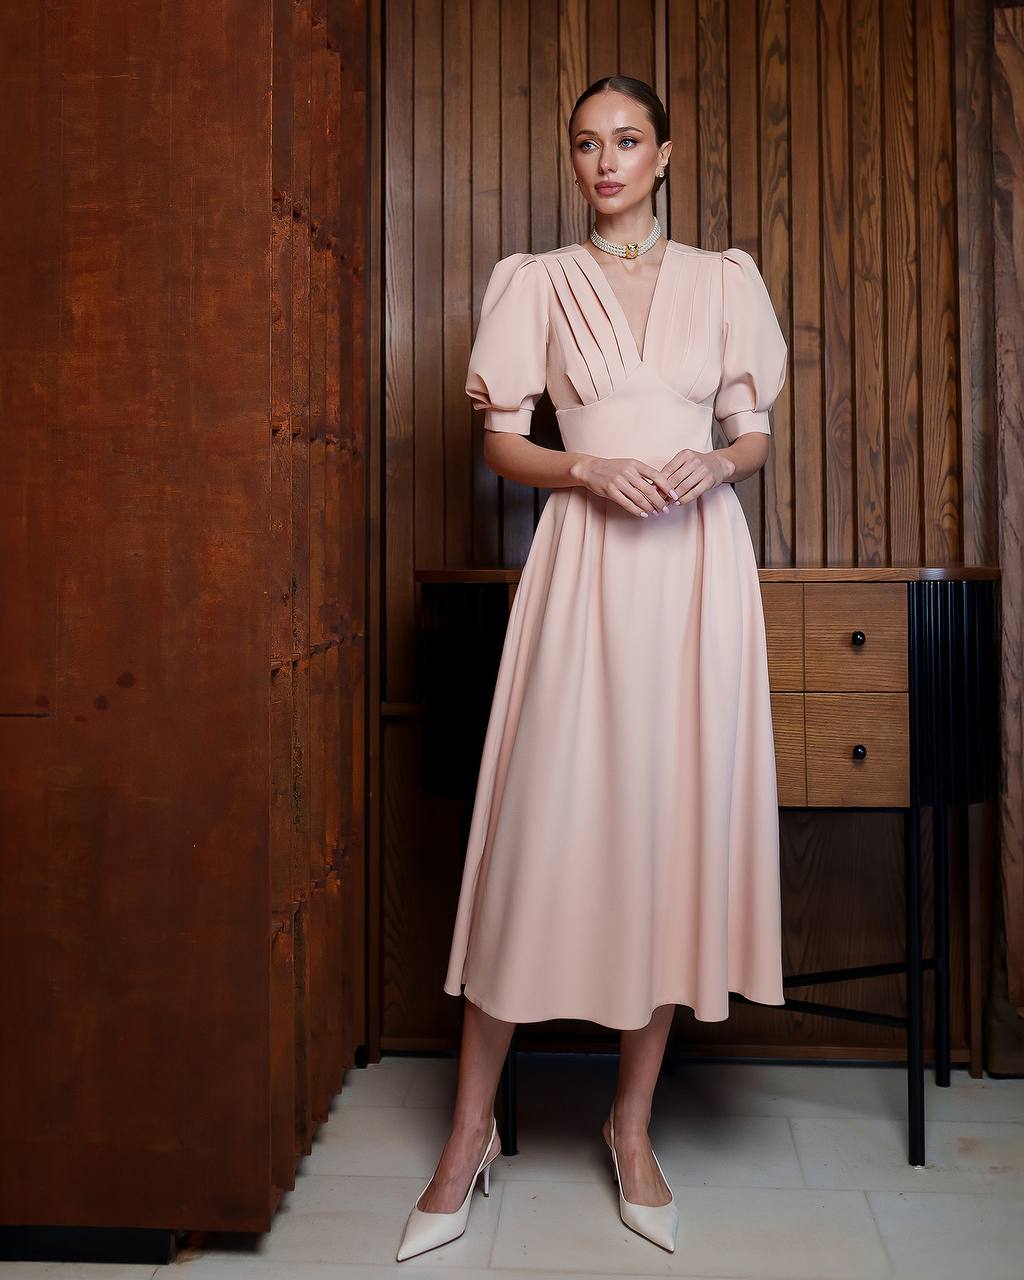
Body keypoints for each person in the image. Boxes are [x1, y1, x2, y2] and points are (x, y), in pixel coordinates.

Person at [397, 74, 789, 1262]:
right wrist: (585, 472)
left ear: (664, 153)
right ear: (572, 160)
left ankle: (630, 1122)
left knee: (667, 827)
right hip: (582, 565)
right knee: (537, 828)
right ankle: (468, 1135)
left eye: (626, 141)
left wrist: (713, 471)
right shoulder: (535, 282)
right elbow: (503, 438)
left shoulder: (726, 280)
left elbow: (750, 430)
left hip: (693, 573)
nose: (604, 160)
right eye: (585, 143)